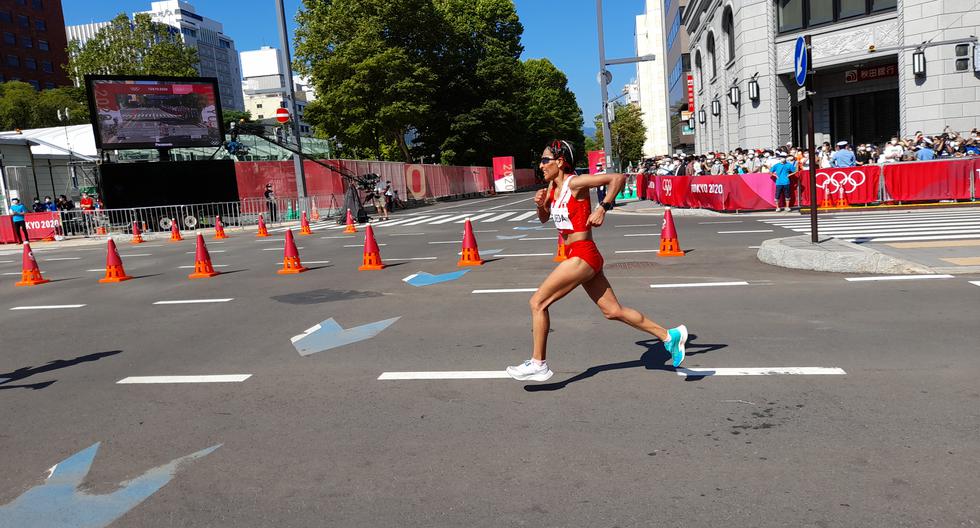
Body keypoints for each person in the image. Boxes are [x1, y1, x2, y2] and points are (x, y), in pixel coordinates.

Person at [505, 140, 689, 382]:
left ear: (560, 162)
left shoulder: (576, 183)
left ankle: (539, 364)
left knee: (538, 302)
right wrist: (540, 205)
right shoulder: (551, 188)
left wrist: (603, 207)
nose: (541, 165)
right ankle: (669, 336)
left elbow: (618, 178)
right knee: (613, 311)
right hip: (578, 256)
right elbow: (543, 219)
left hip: (583, 253)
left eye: (544, 160)